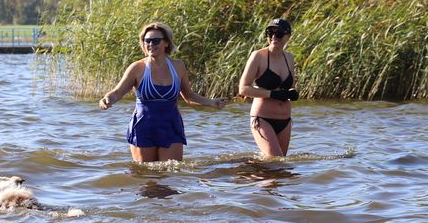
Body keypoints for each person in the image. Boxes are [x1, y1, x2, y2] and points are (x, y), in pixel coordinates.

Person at [99, 22, 227, 162]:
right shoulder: (137, 68)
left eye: (155, 40)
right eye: (147, 41)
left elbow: (189, 96)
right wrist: (107, 99)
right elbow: (118, 92)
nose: (150, 44)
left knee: (170, 174)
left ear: (166, 43)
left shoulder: (178, 66)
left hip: (171, 126)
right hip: (143, 126)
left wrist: (211, 102)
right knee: (146, 177)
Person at [239, 18, 298, 157]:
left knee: (280, 166)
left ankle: (255, 171)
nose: (273, 37)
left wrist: (293, 92)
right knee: (275, 160)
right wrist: (272, 94)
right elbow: (243, 88)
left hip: (285, 120)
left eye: (278, 34)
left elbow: (292, 85)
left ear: (288, 37)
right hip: (263, 118)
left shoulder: (289, 57)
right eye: (270, 33)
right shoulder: (258, 56)